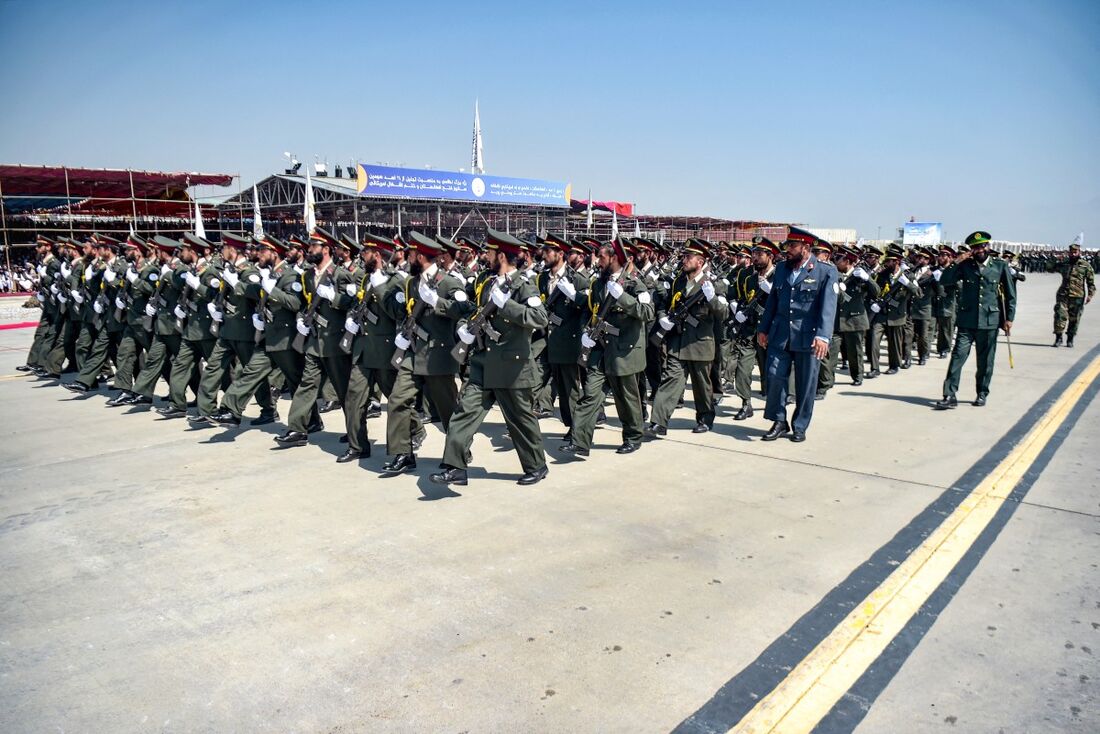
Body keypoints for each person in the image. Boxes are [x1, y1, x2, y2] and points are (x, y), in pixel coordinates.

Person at [430, 228, 550, 486]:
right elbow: (474, 310)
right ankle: (454, 466)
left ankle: (537, 465)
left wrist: (507, 305)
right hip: (483, 362)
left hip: (512, 367)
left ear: (503, 256)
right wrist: (465, 325)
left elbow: (540, 319)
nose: (486, 255)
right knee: (464, 412)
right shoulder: (486, 281)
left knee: (520, 420)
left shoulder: (523, 286)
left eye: (491, 252)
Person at [560, 237, 654, 457]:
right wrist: (586, 333)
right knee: (590, 394)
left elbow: (647, 313)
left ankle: (633, 436)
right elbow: (589, 311)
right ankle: (580, 440)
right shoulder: (598, 283)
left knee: (626, 398)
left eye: (601, 257)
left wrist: (623, 299)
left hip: (624, 351)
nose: (597, 261)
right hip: (601, 349)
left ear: (614, 258)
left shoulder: (634, 284)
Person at [756, 227, 839, 442]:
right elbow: (773, 301)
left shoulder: (825, 271)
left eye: (793, 246)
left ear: (806, 248)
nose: (788, 250)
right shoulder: (783, 268)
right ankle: (779, 421)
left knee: (806, 383)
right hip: (780, 334)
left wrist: (823, 336)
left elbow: (828, 307)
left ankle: (800, 425)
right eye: (787, 245)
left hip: (808, 336)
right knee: (774, 376)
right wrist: (763, 329)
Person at [646, 238, 728, 435]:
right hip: (677, 342)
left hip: (700, 344)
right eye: (684, 256)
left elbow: (724, 313)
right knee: (670, 381)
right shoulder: (678, 281)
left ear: (700, 261)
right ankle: (659, 421)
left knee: (702, 387)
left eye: (688, 257)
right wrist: (663, 318)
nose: (684, 260)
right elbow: (665, 305)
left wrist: (712, 299)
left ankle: (705, 418)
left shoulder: (713, 284)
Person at [935, 231, 1017, 409]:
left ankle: (981, 392)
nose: (978, 250)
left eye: (981, 246)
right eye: (974, 247)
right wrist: (956, 261)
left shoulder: (1000, 266)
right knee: (957, 357)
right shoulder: (965, 266)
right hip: (966, 320)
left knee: (985, 361)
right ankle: (949, 395)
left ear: (988, 246)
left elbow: (1011, 295)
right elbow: (944, 280)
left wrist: (1009, 319)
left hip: (989, 321)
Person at [819, 245, 878, 393]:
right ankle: (827, 381)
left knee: (854, 351)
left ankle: (857, 375)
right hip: (836, 321)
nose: (835, 261)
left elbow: (876, 292)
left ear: (847, 261)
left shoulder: (860, 276)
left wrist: (867, 279)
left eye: (838, 259)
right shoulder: (835, 274)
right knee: (830, 353)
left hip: (854, 320)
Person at [1051, 240, 1094, 348]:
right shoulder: (1064, 263)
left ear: (1079, 252)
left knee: (1074, 319)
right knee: (1059, 316)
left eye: (1076, 252)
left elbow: (1090, 282)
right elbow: (1050, 268)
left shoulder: (1085, 266)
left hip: (1078, 296)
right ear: (1069, 252)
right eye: (1071, 252)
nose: (1073, 254)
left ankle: (1070, 339)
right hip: (1063, 295)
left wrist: (1090, 294)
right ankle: (1058, 338)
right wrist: (1055, 259)